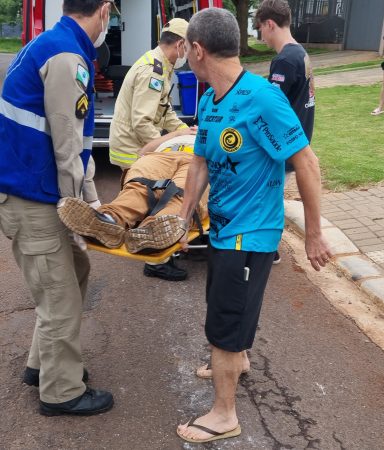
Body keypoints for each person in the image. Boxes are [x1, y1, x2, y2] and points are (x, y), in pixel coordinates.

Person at [176, 8, 331, 444]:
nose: (185, 53)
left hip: (252, 232)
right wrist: (183, 217)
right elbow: (201, 161)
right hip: (223, 230)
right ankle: (236, 358)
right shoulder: (209, 99)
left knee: (225, 320)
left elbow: (306, 161)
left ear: (199, 50)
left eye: (187, 46)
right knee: (224, 311)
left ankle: (224, 414)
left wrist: (315, 233)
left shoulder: (263, 98)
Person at [0, 0, 118, 416]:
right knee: (60, 299)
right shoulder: (68, 57)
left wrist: (93, 200)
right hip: (33, 199)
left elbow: (78, 147)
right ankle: (61, 391)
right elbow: (67, 147)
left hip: (33, 193)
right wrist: (79, 214)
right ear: (103, 10)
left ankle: (41, 365)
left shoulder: (53, 44)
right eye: (113, 12)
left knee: (76, 273)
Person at [109, 17, 191, 281]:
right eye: (187, 48)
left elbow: (165, 113)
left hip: (137, 144)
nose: (186, 54)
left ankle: (141, 239)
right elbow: (142, 121)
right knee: (153, 195)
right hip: (133, 147)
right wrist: (165, 149)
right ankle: (155, 261)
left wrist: (186, 132)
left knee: (147, 195)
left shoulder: (162, 67)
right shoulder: (153, 71)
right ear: (179, 44)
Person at [57, 132, 208, 255]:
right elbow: (143, 152)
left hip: (200, 161)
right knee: (138, 186)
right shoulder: (181, 132)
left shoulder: (218, 134)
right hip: (161, 156)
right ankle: (109, 220)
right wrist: (177, 133)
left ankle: (155, 229)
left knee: (182, 194)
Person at [255, 0, 316, 265]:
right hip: (298, 137)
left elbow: (271, 107)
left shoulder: (284, 60)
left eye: (260, 29)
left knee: (269, 196)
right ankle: (270, 245)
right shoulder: (300, 52)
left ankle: (269, 249)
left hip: (283, 144)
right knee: (275, 195)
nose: (261, 36)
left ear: (270, 24)